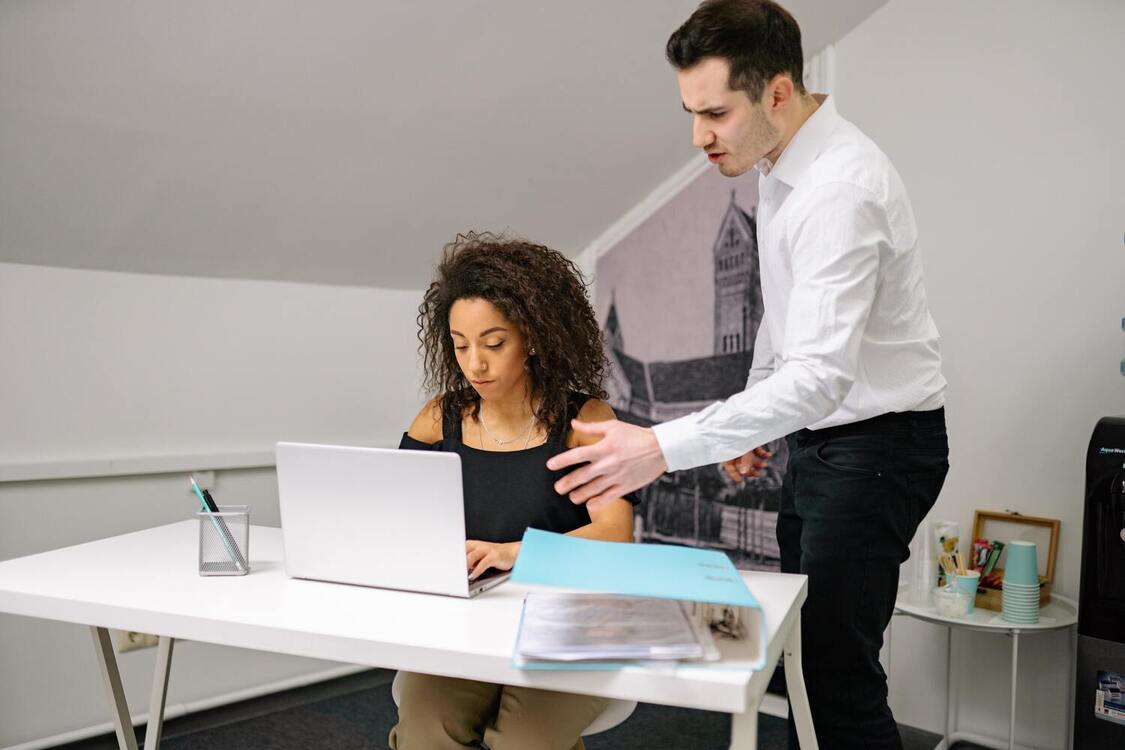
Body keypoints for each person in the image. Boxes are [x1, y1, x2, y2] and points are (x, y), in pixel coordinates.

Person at [546, 2, 949, 748]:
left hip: (879, 449)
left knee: (837, 677)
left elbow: (820, 376)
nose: (698, 137)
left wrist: (659, 447)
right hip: (827, 442)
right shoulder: (776, 161)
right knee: (804, 665)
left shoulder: (839, 190)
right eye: (691, 114)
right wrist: (751, 417)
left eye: (715, 114)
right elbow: (783, 316)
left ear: (777, 93)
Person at [387, 232, 636, 750]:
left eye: (494, 343)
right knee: (425, 731)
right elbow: (401, 521)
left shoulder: (584, 421)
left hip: (571, 618)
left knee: (525, 741)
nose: (474, 363)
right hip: (471, 618)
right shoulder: (438, 420)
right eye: (460, 345)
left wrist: (510, 553)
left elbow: (615, 536)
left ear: (535, 338)